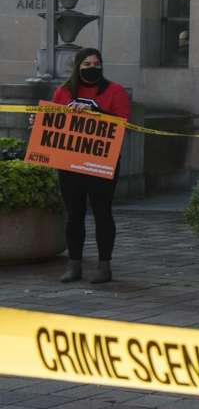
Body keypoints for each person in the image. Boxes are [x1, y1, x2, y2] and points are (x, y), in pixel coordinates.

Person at [51, 49, 130, 284]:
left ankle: (104, 266)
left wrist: (97, 113)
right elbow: (52, 118)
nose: (92, 67)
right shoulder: (64, 91)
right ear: (78, 66)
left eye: (97, 63)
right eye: (86, 63)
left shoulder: (115, 91)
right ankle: (74, 265)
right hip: (70, 163)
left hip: (101, 163)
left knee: (102, 213)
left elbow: (122, 122)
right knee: (73, 215)